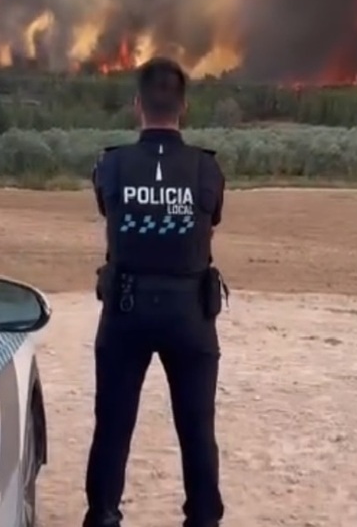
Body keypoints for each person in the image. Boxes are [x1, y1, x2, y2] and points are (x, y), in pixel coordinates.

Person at [84, 57, 227, 527]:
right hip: (191, 314)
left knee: (113, 427)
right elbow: (212, 218)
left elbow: (108, 208)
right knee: (197, 430)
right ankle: (203, 518)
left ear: (136, 105)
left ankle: (104, 515)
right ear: (184, 107)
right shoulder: (207, 170)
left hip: (126, 310)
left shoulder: (112, 165)